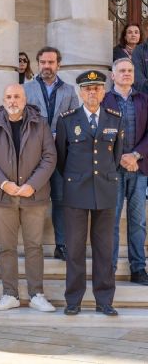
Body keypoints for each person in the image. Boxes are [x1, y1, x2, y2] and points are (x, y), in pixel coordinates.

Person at [0, 84, 57, 313]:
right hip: (4, 195)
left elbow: (49, 157)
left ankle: (37, 294)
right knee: (7, 247)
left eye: (17, 96)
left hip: (34, 195)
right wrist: (5, 184)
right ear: (3, 99)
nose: (13, 100)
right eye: (9, 97)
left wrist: (32, 184)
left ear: (25, 98)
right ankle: (9, 294)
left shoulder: (39, 123)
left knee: (34, 246)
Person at [56, 70, 124, 316]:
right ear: (80, 92)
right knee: (74, 249)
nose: (92, 92)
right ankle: (73, 300)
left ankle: (104, 300)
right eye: (87, 88)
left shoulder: (115, 118)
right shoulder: (67, 120)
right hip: (76, 191)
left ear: (103, 92)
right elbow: (61, 159)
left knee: (104, 249)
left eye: (96, 88)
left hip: (105, 191)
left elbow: (116, 156)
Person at [23, 46, 79, 261]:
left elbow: (75, 121)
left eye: (51, 62)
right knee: (33, 199)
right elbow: (21, 119)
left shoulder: (69, 91)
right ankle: (31, 246)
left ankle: (62, 244)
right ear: (38, 64)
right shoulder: (26, 89)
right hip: (33, 155)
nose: (47, 66)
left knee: (61, 199)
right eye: (43, 62)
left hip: (60, 155)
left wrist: (59, 134)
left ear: (58, 64)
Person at [101, 58, 148, 286]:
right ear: (113, 75)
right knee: (111, 221)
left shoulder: (144, 100)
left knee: (138, 221)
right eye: (122, 71)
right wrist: (119, 157)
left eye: (130, 70)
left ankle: (138, 269)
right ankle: (109, 268)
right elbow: (98, 133)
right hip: (112, 169)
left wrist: (136, 155)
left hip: (139, 168)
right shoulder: (104, 100)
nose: (126, 74)